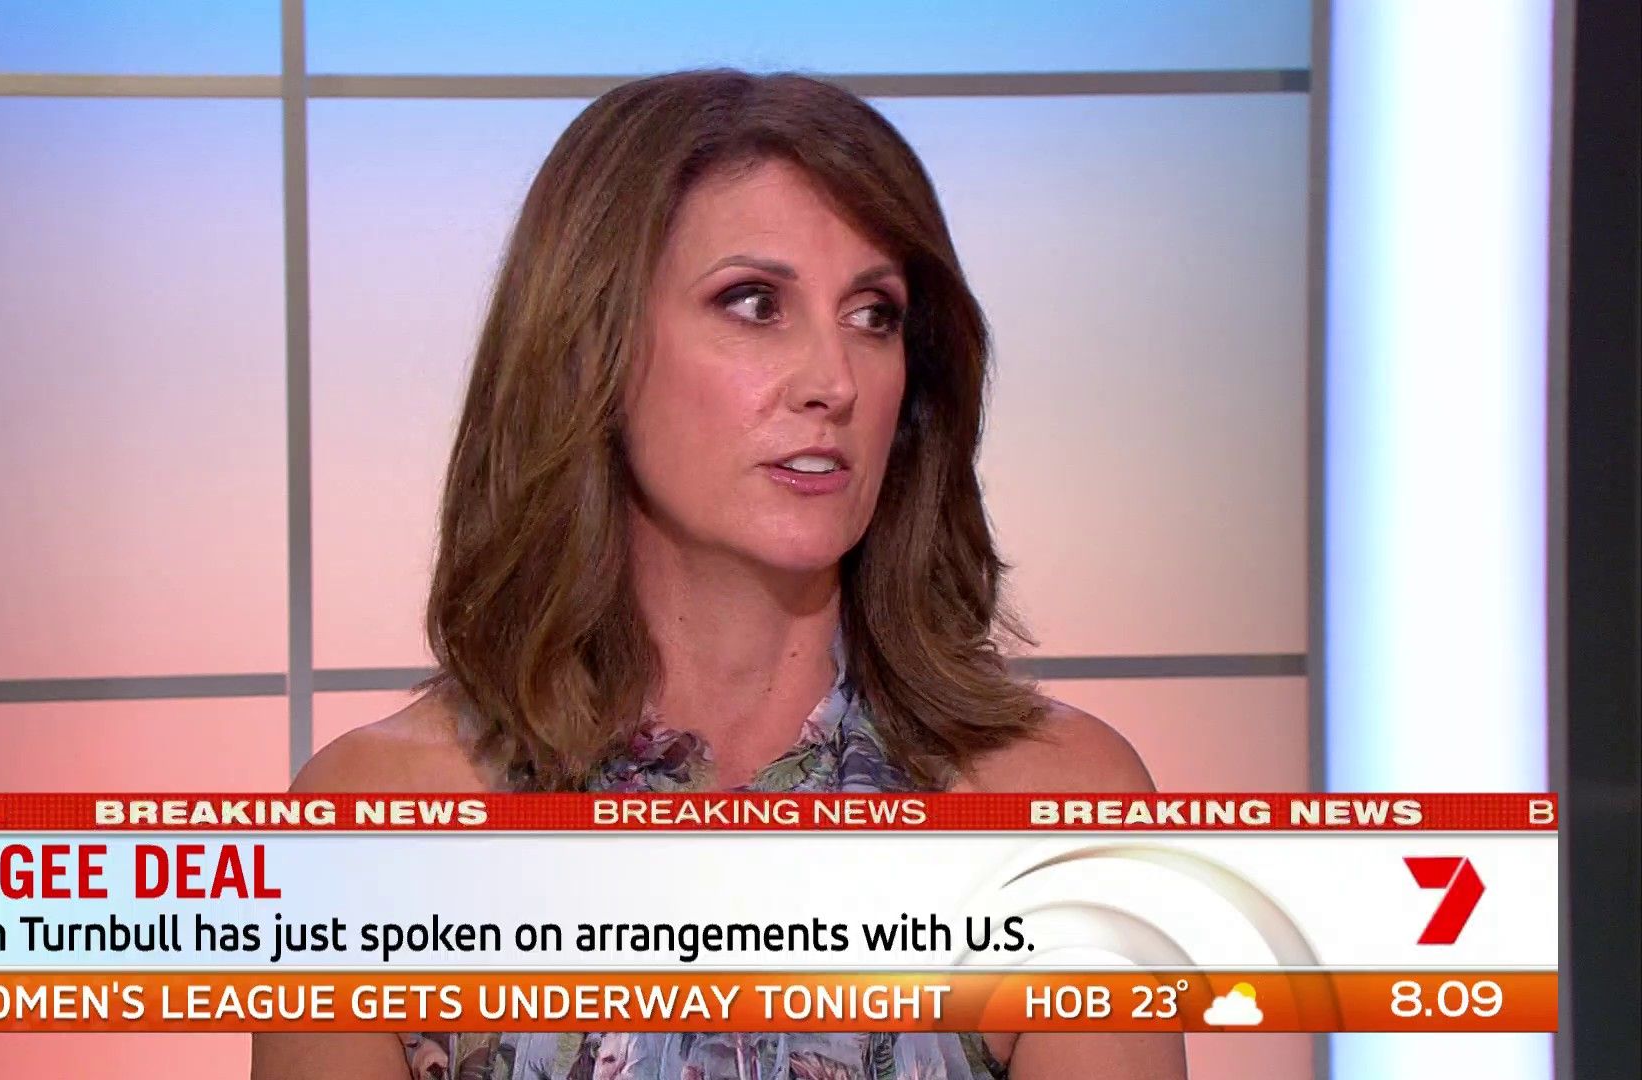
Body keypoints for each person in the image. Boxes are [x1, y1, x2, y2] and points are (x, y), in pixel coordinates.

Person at [255, 69, 1187, 1080]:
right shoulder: (373, 819)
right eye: (755, 304)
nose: (833, 381)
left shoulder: (1059, 804)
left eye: (873, 315)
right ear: (593, 352)